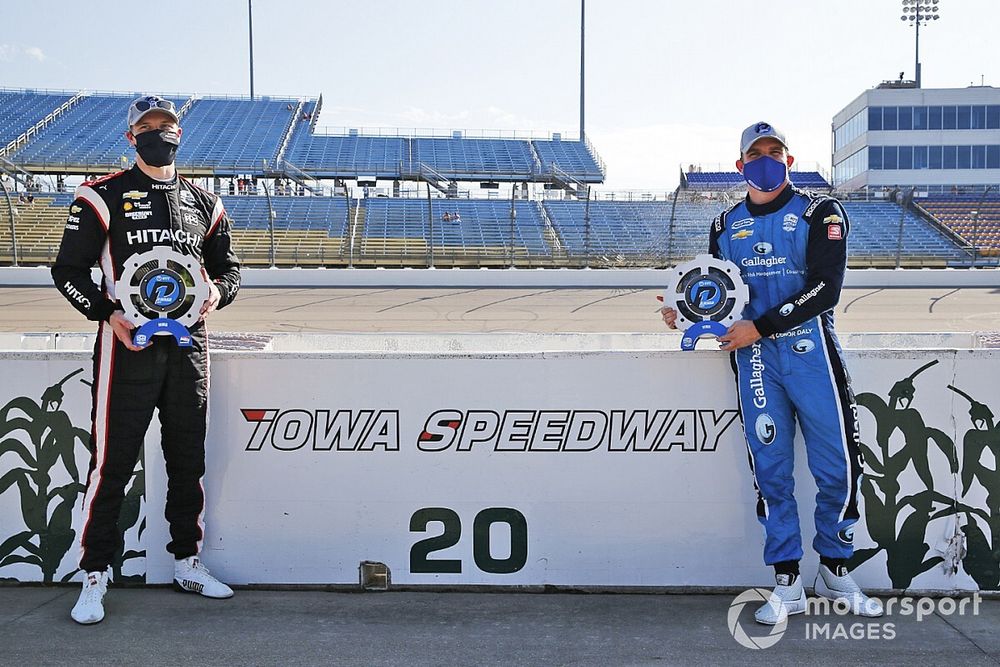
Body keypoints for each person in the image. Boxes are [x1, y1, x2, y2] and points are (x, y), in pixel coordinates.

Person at [661, 121, 882, 625]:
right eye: (755, 153)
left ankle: (836, 565)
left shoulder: (820, 211)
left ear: (789, 158)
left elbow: (826, 290)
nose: (766, 158)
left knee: (837, 467)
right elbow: (718, 292)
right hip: (754, 362)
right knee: (772, 473)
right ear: (740, 166)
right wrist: (687, 310)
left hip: (811, 356)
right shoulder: (725, 224)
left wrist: (759, 326)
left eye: (775, 151)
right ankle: (787, 580)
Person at [51, 94, 241, 625]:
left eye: (167, 125)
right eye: (148, 125)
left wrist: (215, 297)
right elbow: (68, 271)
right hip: (126, 350)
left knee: (188, 460)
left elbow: (230, 270)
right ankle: (94, 575)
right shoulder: (100, 195)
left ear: (179, 133)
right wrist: (108, 313)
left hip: (189, 350)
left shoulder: (206, 202)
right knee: (111, 465)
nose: (160, 132)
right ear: (131, 136)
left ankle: (188, 561)